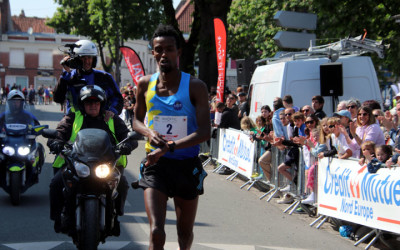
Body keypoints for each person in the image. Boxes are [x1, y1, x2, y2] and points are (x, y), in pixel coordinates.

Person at [132, 24, 210, 250]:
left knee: (184, 234)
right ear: (153, 52)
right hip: (156, 164)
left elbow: (205, 132)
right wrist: (148, 132)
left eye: (169, 49)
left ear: (179, 52)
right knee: (156, 231)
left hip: (186, 165)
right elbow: (135, 120)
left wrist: (170, 146)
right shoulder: (145, 84)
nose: (163, 54)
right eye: (158, 49)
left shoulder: (195, 86)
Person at [47, 85, 136, 234]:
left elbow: (127, 136)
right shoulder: (73, 117)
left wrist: (128, 145)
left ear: (102, 104)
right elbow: (59, 132)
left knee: (123, 184)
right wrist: (55, 141)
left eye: (96, 102)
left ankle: (115, 216)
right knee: (56, 183)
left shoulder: (112, 119)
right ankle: (58, 219)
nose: (93, 105)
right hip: (76, 163)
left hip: (107, 164)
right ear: (82, 104)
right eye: (88, 102)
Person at [53, 39, 123, 121]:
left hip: (102, 121)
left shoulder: (105, 77)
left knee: (122, 130)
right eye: (83, 58)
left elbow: (118, 99)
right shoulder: (68, 76)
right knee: (59, 132)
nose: (87, 61)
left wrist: (112, 111)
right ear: (76, 59)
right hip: (73, 123)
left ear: (94, 59)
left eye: (89, 57)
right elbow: (58, 98)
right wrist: (65, 73)